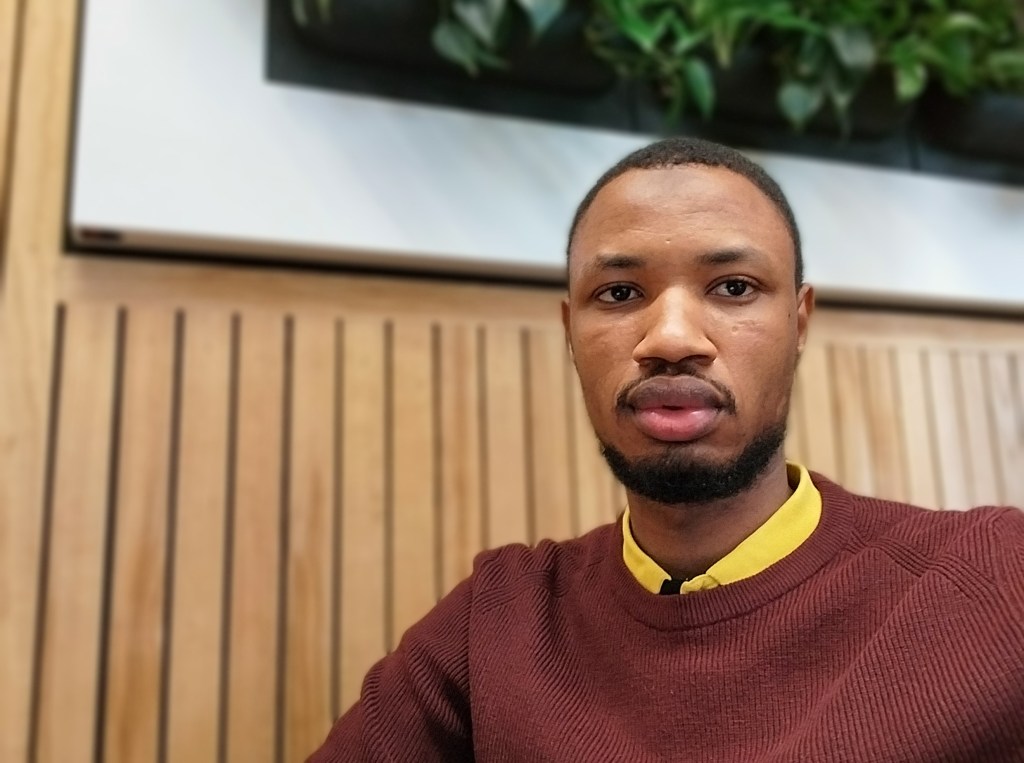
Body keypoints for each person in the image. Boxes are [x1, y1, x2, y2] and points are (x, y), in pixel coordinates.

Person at [309, 137, 1024, 762]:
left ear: (799, 323)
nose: (672, 338)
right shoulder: (497, 622)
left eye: (734, 287)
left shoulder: (994, 576)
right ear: (570, 330)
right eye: (620, 293)